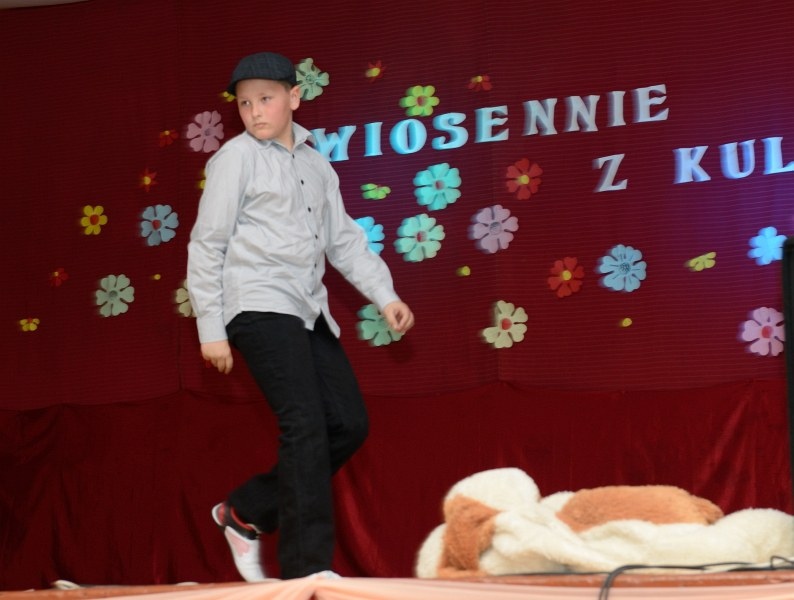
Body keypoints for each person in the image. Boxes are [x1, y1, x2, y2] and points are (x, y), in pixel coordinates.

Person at [186, 51, 414, 581]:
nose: (254, 112)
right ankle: (306, 570)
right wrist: (210, 328)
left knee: (348, 423)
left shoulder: (316, 164)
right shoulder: (235, 159)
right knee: (305, 423)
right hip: (256, 301)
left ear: (294, 97)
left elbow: (343, 240)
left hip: (307, 309)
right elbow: (207, 243)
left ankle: (246, 511)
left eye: (265, 99)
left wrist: (384, 295)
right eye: (244, 104)